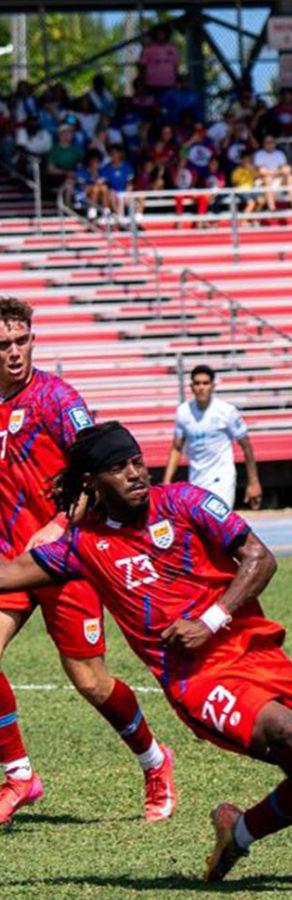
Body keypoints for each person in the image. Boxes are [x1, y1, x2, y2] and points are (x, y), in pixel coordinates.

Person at [1, 422, 292, 880]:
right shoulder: (84, 546)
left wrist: (209, 620)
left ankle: (237, 830)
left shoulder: (185, 502)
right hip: (198, 680)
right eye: (118, 468)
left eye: (137, 460)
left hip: (258, 653)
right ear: (91, 482)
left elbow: (260, 557)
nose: (136, 473)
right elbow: (7, 575)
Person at [0, 298, 175, 825]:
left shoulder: (58, 399)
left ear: (34, 339)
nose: (14, 353)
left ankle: (154, 760)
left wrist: (57, 527)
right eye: (3, 344)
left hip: (65, 559)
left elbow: (94, 478)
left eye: (21, 341)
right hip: (10, 561)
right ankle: (19, 776)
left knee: (90, 682)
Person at [163, 366, 262, 510]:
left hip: (222, 479)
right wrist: (166, 482)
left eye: (205, 383)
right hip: (196, 480)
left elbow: (246, 446)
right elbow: (177, 448)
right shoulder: (183, 412)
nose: (201, 387)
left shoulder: (226, 411)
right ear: (191, 387)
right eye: (197, 383)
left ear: (213, 385)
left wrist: (253, 482)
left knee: (217, 524)